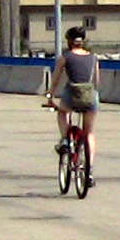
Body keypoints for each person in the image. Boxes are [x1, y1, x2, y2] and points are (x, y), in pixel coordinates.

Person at [40, 26, 100, 164]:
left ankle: (65, 140)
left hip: (72, 94)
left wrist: (50, 95)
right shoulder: (93, 58)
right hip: (90, 95)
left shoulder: (65, 57)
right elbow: (96, 81)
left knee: (62, 112)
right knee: (89, 132)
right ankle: (89, 170)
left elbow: (55, 80)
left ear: (69, 41)